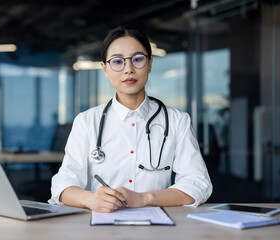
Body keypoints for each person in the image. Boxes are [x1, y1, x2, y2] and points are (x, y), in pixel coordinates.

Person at [49, 26, 212, 213]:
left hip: (158, 226)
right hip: (103, 225)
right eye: (117, 61)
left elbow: (198, 183)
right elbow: (62, 184)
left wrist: (145, 198)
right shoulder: (87, 121)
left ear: (150, 63)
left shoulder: (177, 121)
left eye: (138, 59)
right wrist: (91, 199)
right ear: (105, 69)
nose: (128, 69)